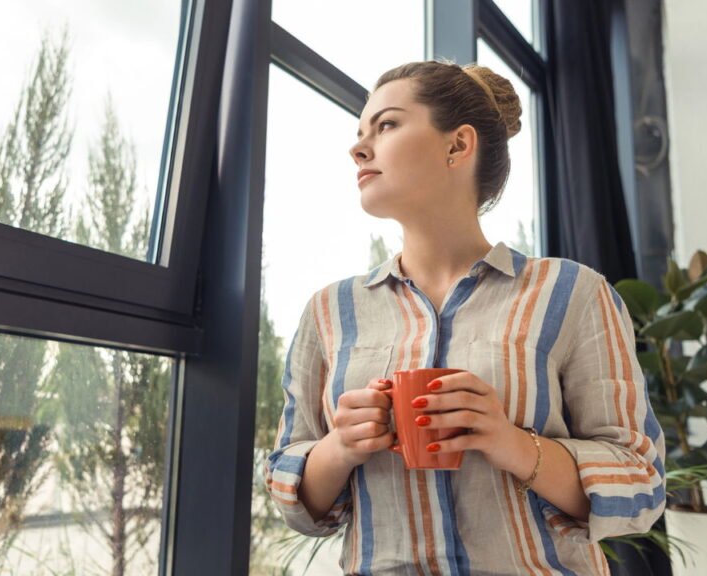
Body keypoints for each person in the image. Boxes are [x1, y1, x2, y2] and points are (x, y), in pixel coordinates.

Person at [264, 60, 666, 575]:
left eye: (385, 125)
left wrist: (511, 444)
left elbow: (641, 483)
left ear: (457, 146)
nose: (358, 148)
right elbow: (289, 491)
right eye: (360, 132)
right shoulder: (330, 311)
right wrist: (340, 447)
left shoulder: (572, 293)